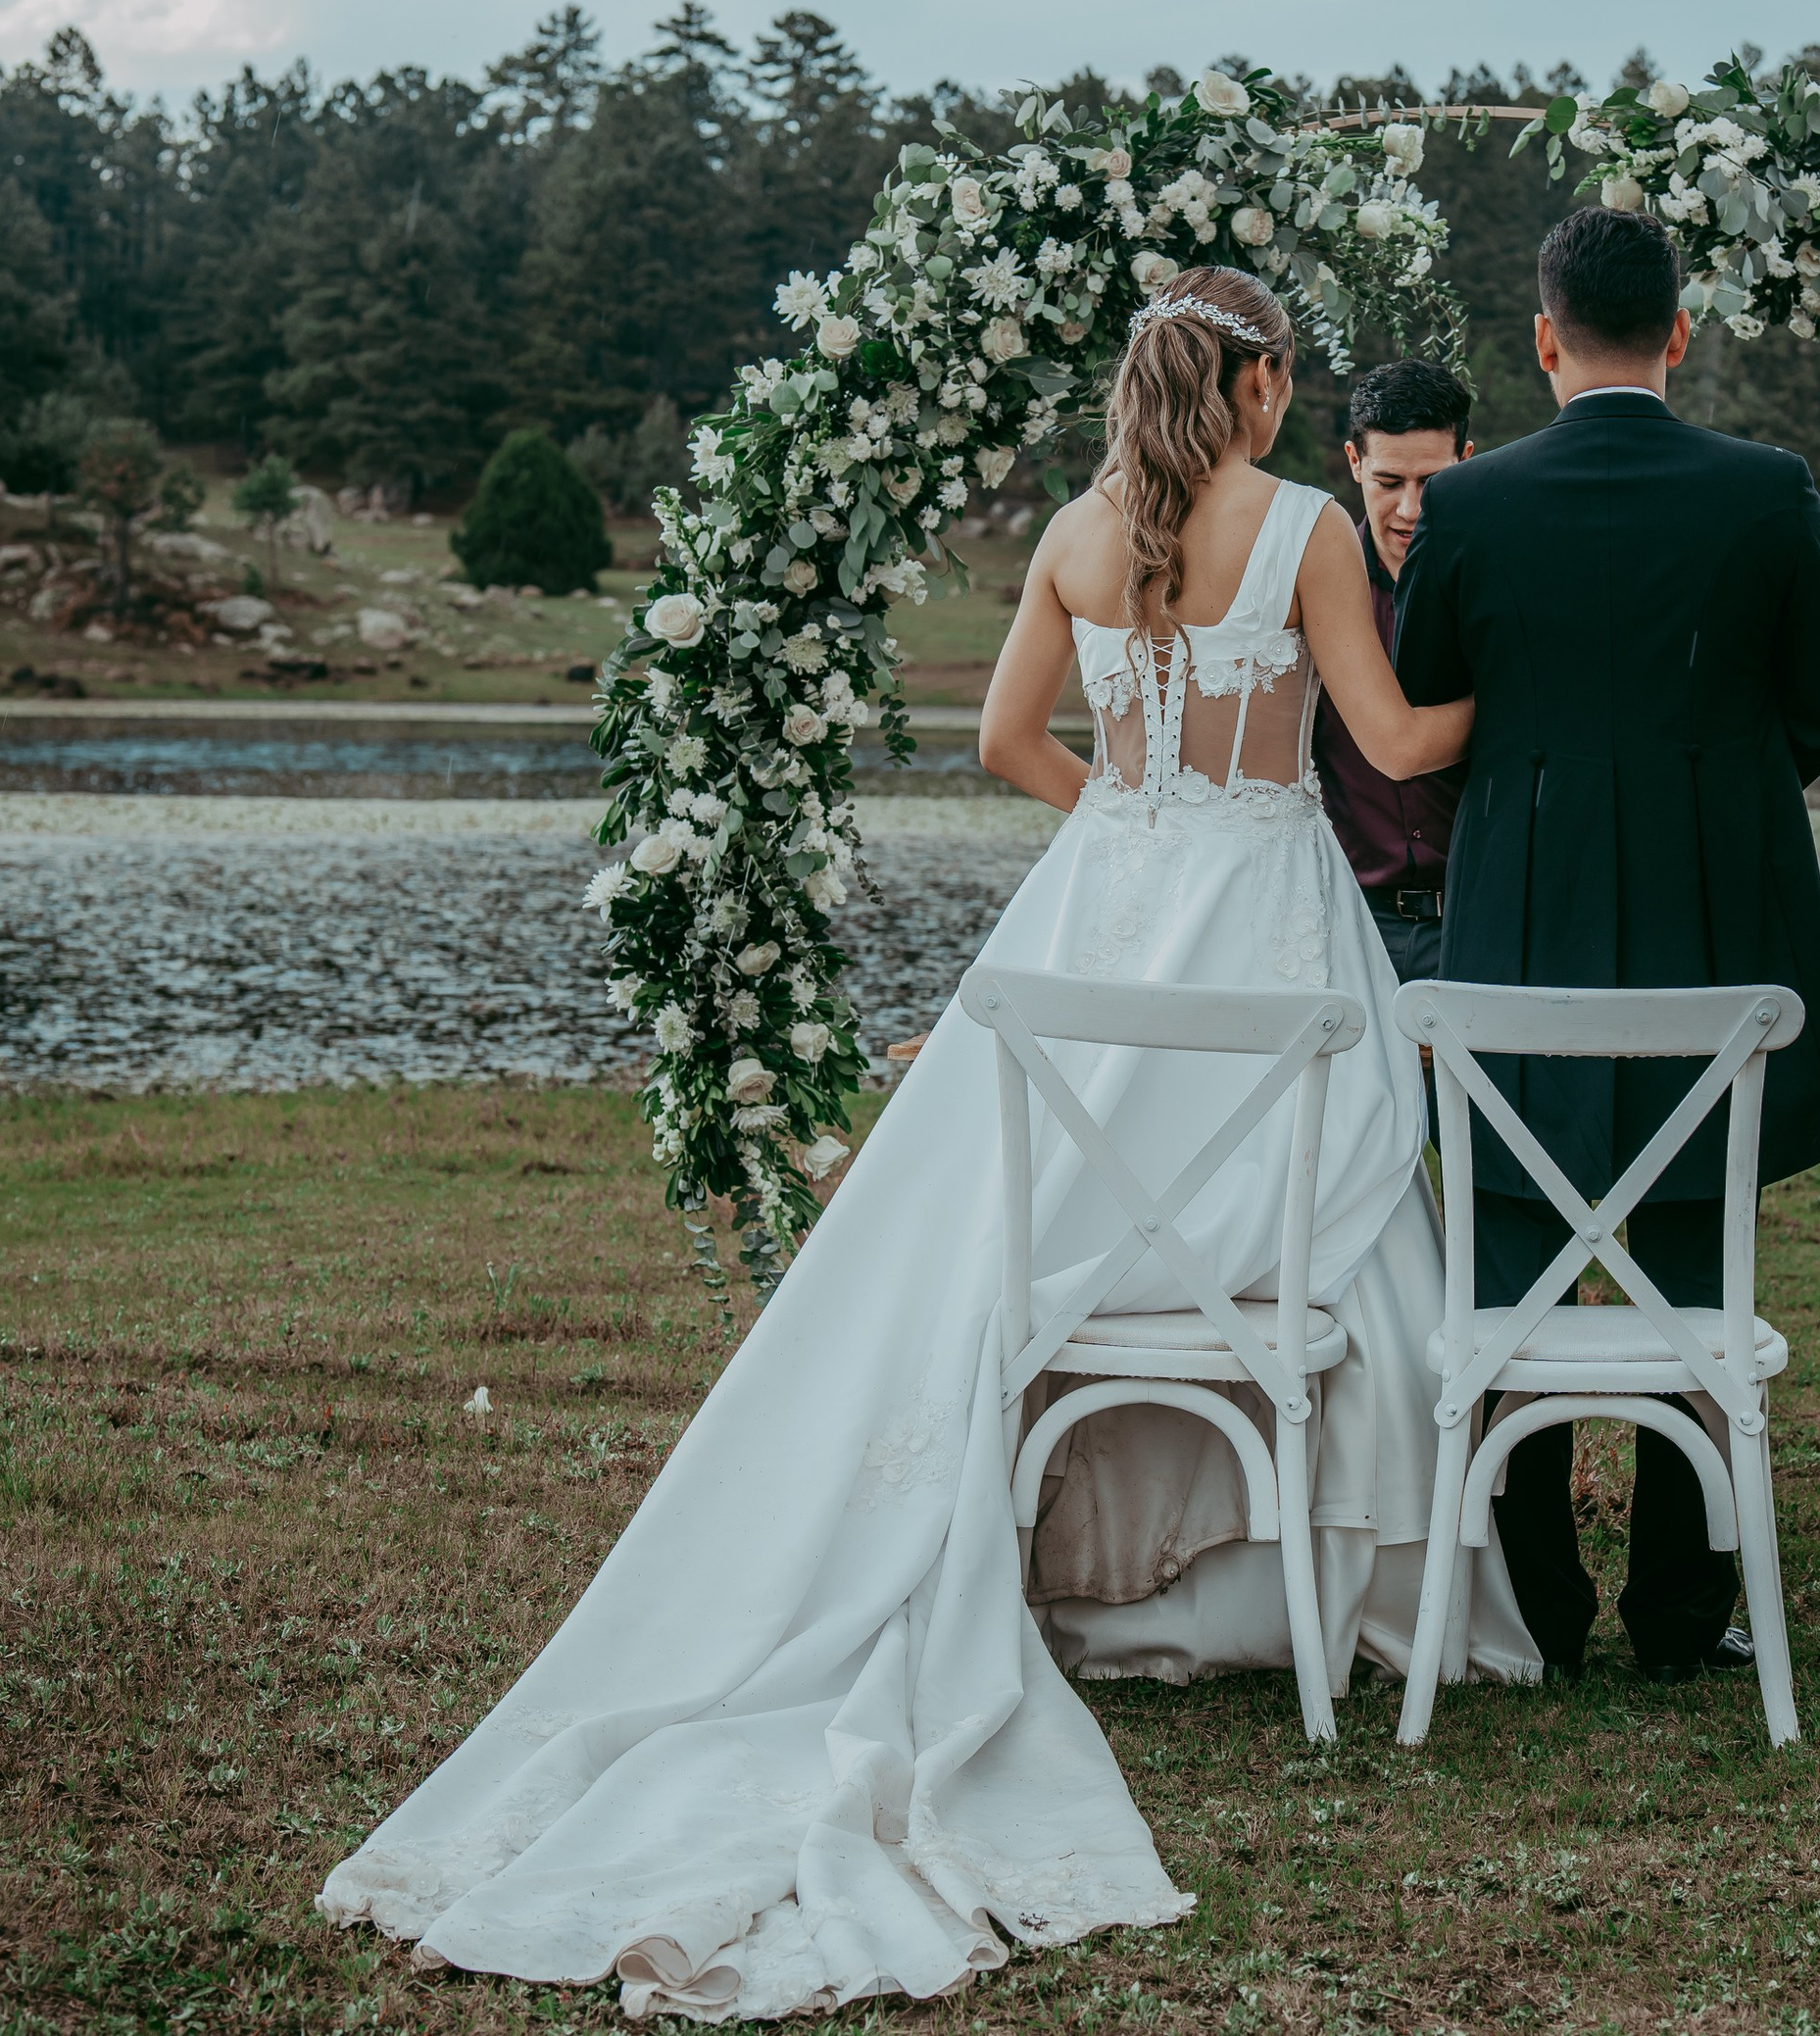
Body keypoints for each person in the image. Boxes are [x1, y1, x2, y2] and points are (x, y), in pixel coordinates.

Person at [320, 266, 1535, 2021]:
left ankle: (1052, 1576)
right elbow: (1406, 737)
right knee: (1326, 1220)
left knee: (1006, 1239)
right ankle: (1320, 1596)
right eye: (1288, 380)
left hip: (1093, 914)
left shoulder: (1070, 530)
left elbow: (998, 740)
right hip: (1275, 915)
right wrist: (1496, 703)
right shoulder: (1313, 533)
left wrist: (1135, 819)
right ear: (1266, 388)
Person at [1392, 205, 1820, 1685]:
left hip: (1519, 914)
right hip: (1713, 915)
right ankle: (1676, 1611)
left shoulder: (1467, 507)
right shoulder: (1769, 488)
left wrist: (1548, 794)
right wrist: (1706, 792)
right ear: (1680, 333)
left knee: (1515, 1257)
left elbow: (1430, 705)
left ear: (1542, 341)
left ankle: (1532, 1614)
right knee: (1695, 1258)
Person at [1310, 358, 1474, 986]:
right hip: (1345, 926)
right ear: (1354, 462)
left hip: (1476, 922)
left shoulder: (1496, 588)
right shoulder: (1307, 591)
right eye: (1388, 482)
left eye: (1431, 482)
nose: (1411, 509)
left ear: (1467, 458)